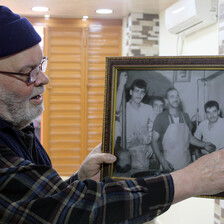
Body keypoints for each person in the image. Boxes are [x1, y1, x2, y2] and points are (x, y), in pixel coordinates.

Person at [1, 6, 224, 224]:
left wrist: (80, 180)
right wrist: (192, 179)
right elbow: (71, 210)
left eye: (41, 66)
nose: (43, 79)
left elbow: (41, 207)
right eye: (27, 73)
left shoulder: (19, 128)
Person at [152, 88, 216, 172]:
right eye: (172, 96)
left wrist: (204, 144)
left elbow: (190, 138)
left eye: (177, 96)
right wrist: (162, 161)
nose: (175, 98)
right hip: (169, 166)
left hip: (187, 165)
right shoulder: (160, 118)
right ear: (166, 101)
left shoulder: (185, 116)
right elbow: (154, 141)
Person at [115, 72, 154, 172]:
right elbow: (116, 109)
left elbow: (154, 129)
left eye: (142, 92)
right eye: (137, 91)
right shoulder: (124, 107)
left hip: (143, 152)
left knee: (142, 181)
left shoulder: (148, 109)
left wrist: (152, 147)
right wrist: (121, 84)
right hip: (126, 152)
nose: (139, 94)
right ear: (131, 92)